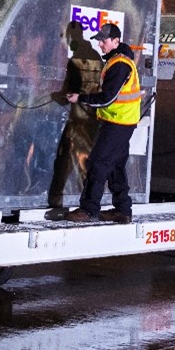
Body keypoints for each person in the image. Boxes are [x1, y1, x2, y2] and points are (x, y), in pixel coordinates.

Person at [64, 20, 140, 223]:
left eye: (103, 41)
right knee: (115, 166)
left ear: (116, 41)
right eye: (99, 41)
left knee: (98, 163)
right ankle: (122, 210)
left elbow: (107, 98)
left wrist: (80, 98)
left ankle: (89, 210)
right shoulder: (117, 61)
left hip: (118, 123)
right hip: (120, 122)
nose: (100, 44)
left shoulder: (120, 64)